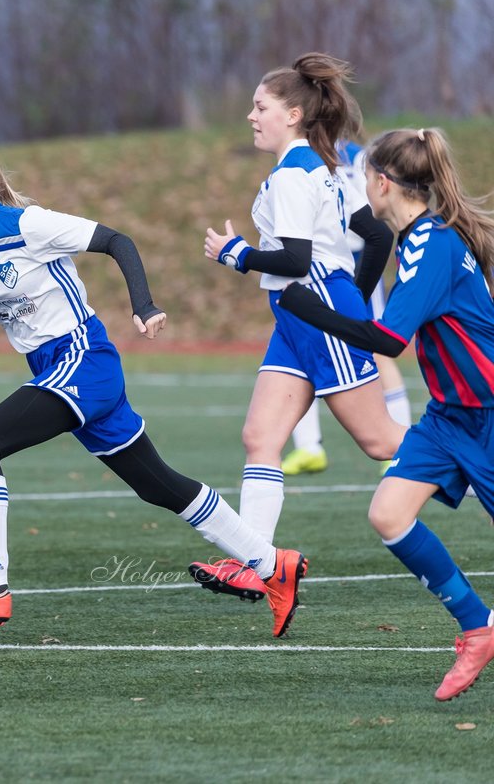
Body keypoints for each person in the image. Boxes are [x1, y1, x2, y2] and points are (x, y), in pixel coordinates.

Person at [0, 131, 306, 646]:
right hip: (54, 369)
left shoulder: (29, 224)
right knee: (158, 485)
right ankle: (271, 564)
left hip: (83, 360)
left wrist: (144, 305)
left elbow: (117, 241)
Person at [278, 127, 494, 701]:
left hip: (490, 416)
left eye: (361, 177)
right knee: (389, 513)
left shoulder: (432, 243)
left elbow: (389, 338)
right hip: (452, 418)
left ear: (380, 181)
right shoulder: (418, 237)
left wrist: (307, 308)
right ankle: (478, 628)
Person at [190, 53, 406, 602]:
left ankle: (479, 452)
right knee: (260, 438)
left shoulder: (294, 173)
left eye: (259, 107)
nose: (250, 116)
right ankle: (258, 562)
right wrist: (351, 299)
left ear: (291, 114)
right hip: (299, 316)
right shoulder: (325, 165)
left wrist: (236, 253)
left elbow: (292, 259)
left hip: (312, 312)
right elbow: (375, 239)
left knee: (382, 442)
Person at [281, 139, 413, 476]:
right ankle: (309, 447)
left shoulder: (342, 157)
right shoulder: (312, 157)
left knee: (379, 345)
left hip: (352, 258)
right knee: (304, 341)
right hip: (325, 261)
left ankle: (401, 443)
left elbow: (377, 228)